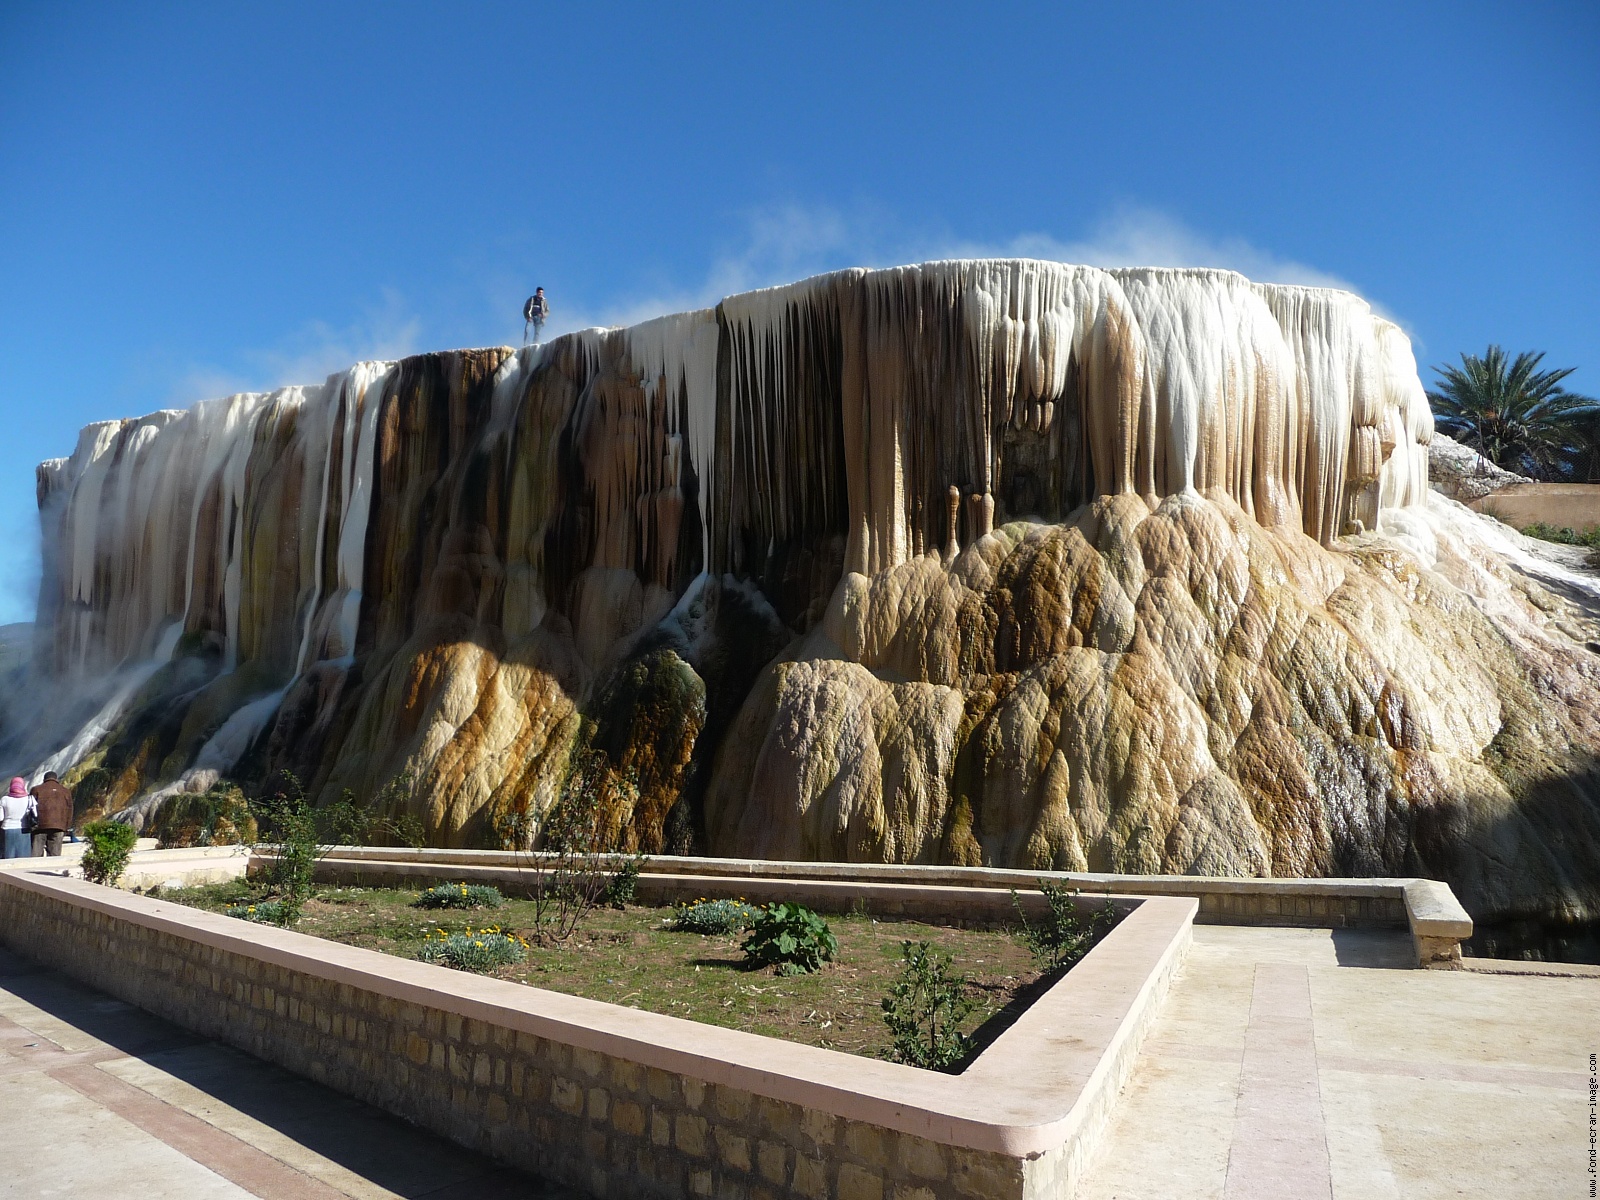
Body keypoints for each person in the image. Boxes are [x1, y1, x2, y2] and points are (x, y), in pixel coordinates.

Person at [29, 771, 73, 857]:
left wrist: (30, 825)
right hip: (59, 826)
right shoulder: (66, 791)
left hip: (40, 826)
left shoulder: (36, 789)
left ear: (44, 779)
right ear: (56, 779)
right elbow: (70, 810)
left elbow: (30, 808)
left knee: (36, 855)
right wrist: (66, 827)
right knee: (55, 855)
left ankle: (35, 869)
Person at [1, 778, 34, 859]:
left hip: (7, 829)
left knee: (8, 856)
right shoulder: (29, 799)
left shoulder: (4, 799)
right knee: (23, 857)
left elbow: (0, 817)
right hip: (24, 829)